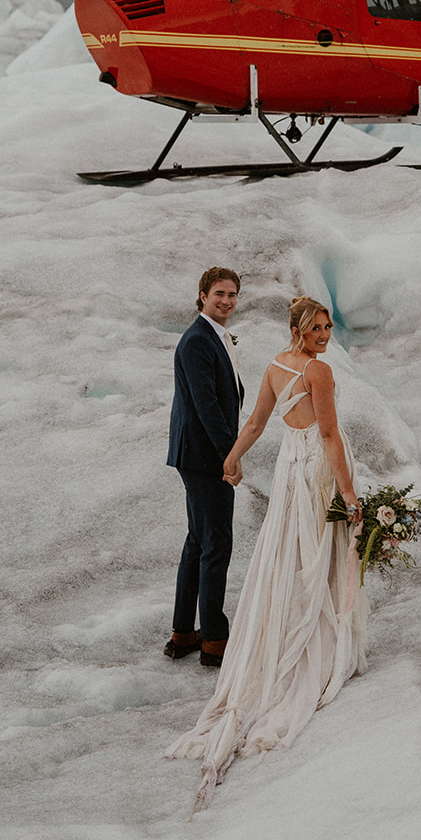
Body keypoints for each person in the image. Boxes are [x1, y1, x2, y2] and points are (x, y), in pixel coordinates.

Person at [165, 296, 368, 810]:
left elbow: (255, 423)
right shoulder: (318, 372)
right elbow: (328, 434)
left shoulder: (277, 366)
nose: (325, 334)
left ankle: (279, 629)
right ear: (299, 329)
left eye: (327, 327)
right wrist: (349, 494)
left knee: (287, 554)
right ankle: (312, 641)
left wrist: (232, 459)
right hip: (315, 469)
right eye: (317, 327)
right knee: (314, 553)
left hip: (286, 470)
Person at [164, 266, 245, 668]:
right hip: (203, 455)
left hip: (196, 453)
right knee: (217, 544)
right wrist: (230, 455)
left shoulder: (213, 335)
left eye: (231, 294)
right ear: (202, 296)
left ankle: (183, 632)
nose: (226, 301)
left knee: (198, 541)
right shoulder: (197, 340)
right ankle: (214, 638)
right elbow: (206, 404)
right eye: (219, 294)